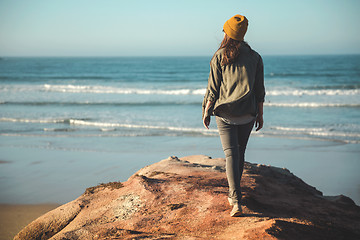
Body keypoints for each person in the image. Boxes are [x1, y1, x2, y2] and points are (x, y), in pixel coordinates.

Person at [202, 14, 265, 217]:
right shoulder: (255, 57)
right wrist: (260, 115)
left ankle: (236, 201)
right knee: (239, 154)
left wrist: (206, 110)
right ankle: (234, 197)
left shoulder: (220, 56)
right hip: (248, 113)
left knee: (231, 155)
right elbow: (259, 90)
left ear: (227, 33)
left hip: (225, 113)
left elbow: (213, 89)